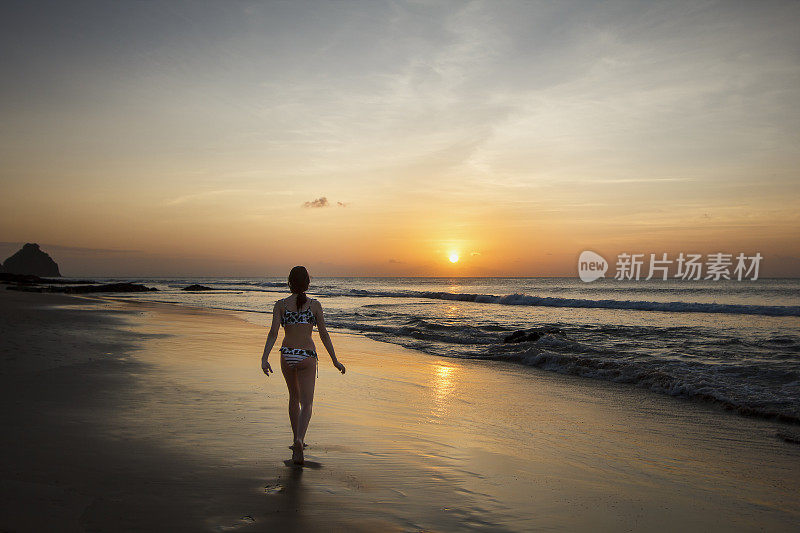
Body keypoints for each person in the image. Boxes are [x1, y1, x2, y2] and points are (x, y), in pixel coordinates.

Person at [261, 266, 345, 465]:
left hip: (287, 355)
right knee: (307, 403)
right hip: (307, 356)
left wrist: (264, 358)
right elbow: (324, 334)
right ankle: (300, 439)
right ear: (308, 283)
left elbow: (273, 333)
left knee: (293, 398)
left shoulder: (280, 305)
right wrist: (335, 360)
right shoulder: (315, 305)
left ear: (289, 282)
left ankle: (295, 439)